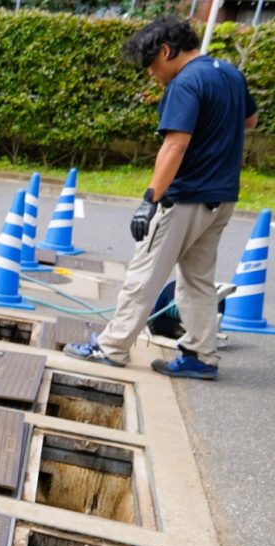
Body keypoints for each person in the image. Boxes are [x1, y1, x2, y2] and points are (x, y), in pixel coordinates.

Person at [64, 16, 259, 380]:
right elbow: (250, 121)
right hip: (222, 198)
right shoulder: (230, 73)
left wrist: (149, 200)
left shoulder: (186, 82)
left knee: (145, 274)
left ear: (167, 50)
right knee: (198, 281)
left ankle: (112, 348)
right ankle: (202, 355)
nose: (152, 73)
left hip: (185, 198)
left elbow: (175, 144)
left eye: (152, 64)